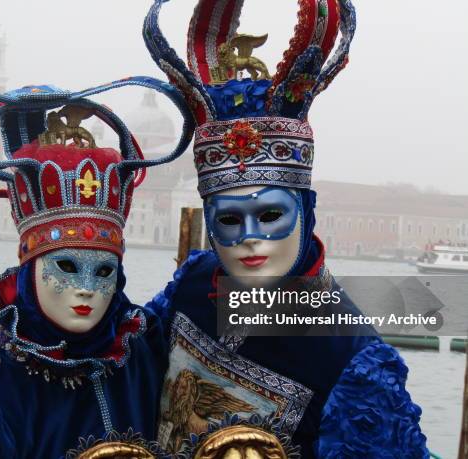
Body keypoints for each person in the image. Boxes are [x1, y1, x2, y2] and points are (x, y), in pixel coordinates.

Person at [143, 0, 430, 457]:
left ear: (306, 210)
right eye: (230, 220)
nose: (249, 238)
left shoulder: (347, 352)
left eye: (271, 216)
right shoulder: (194, 286)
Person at [0, 79, 194, 458]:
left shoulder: (142, 348)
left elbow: (261, 308)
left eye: (103, 272)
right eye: (66, 266)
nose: (86, 289)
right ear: (29, 266)